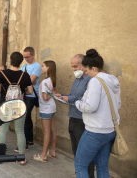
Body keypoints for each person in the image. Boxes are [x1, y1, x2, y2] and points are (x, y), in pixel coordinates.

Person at [74, 49, 121, 178]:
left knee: (80, 165)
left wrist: (78, 103)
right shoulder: (113, 80)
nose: (86, 73)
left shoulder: (95, 81)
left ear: (94, 68)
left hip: (95, 131)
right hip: (110, 131)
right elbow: (118, 105)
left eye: (87, 70)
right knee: (102, 168)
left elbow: (90, 106)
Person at [55, 54, 94, 178]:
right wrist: (62, 96)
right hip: (73, 117)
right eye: (72, 67)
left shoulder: (90, 81)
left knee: (84, 154)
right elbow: (74, 96)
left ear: (84, 65)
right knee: (76, 152)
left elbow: (85, 100)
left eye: (76, 66)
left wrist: (69, 98)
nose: (74, 70)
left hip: (82, 120)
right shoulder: (77, 79)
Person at [0, 52, 32, 165]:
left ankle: (0, 156)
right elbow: (30, 91)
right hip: (20, 106)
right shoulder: (25, 75)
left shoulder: (2, 73)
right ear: (21, 62)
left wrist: (5, 91)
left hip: (6, 105)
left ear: (10, 60)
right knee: (20, 131)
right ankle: (21, 158)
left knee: (3, 130)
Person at [31, 60, 57, 163]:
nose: (41, 68)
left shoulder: (46, 81)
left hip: (46, 108)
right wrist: (53, 94)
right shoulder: (52, 80)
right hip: (52, 107)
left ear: (48, 68)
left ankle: (43, 155)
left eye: (43, 66)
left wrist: (50, 94)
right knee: (52, 129)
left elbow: (45, 97)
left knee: (46, 131)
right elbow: (52, 93)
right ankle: (53, 152)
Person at [20, 47, 42, 149]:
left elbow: (32, 80)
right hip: (24, 94)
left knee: (25, 116)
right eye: (24, 57)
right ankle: (29, 139)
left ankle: (25, 141)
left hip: (32, 95)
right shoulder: (24, 66)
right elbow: (20, 79)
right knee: (27, 117)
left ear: (33, 55)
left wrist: (25, 80)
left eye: (28, 57)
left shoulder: (37, 66)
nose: (26, 59)